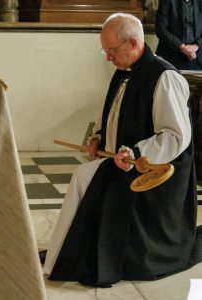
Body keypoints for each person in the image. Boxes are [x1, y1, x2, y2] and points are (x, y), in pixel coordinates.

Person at [42, 13, 202, 287]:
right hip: (123, 161)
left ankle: (73, 253)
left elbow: (176, 137)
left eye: (111, 50)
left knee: (84, 177)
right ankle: (69, 251)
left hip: (155, 173)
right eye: (105, 50)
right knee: (84, 175)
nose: (107, 57)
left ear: (132, 43)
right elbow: (112, 114)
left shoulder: (164, 77)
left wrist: (136, 153)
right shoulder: (124, 71)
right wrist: (99, 138)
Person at [155, 0, 202, 70]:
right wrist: (182, 47)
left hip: (197, 58)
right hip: (170, 57)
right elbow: (160, 29)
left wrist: (196, 46)